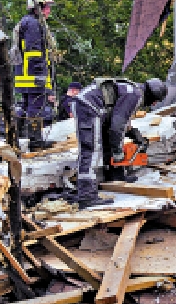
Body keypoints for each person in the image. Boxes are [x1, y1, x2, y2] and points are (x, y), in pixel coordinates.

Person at [72, 78, 167, 209]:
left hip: (95, 106)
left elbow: (121, 120)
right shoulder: (135, 95)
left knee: (106, 141)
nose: (154, 104)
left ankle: (115, 178)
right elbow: (117, 127)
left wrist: (134, 134)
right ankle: (86, 196)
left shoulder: (134, 91)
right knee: (91, 149)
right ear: (152, 95)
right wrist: (118, 152)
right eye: (155, 101)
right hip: (89, 106)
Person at [13, 0, 56, 147]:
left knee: (24, 106)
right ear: (38, 7)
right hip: (33, 74)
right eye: (47, 7)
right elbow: (34, 52)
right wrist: (40, 74)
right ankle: (36, 141)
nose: (49, 10)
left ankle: (12, 139)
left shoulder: (27, 22)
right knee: (35, 107)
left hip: (25, 74)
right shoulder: (33, 24)